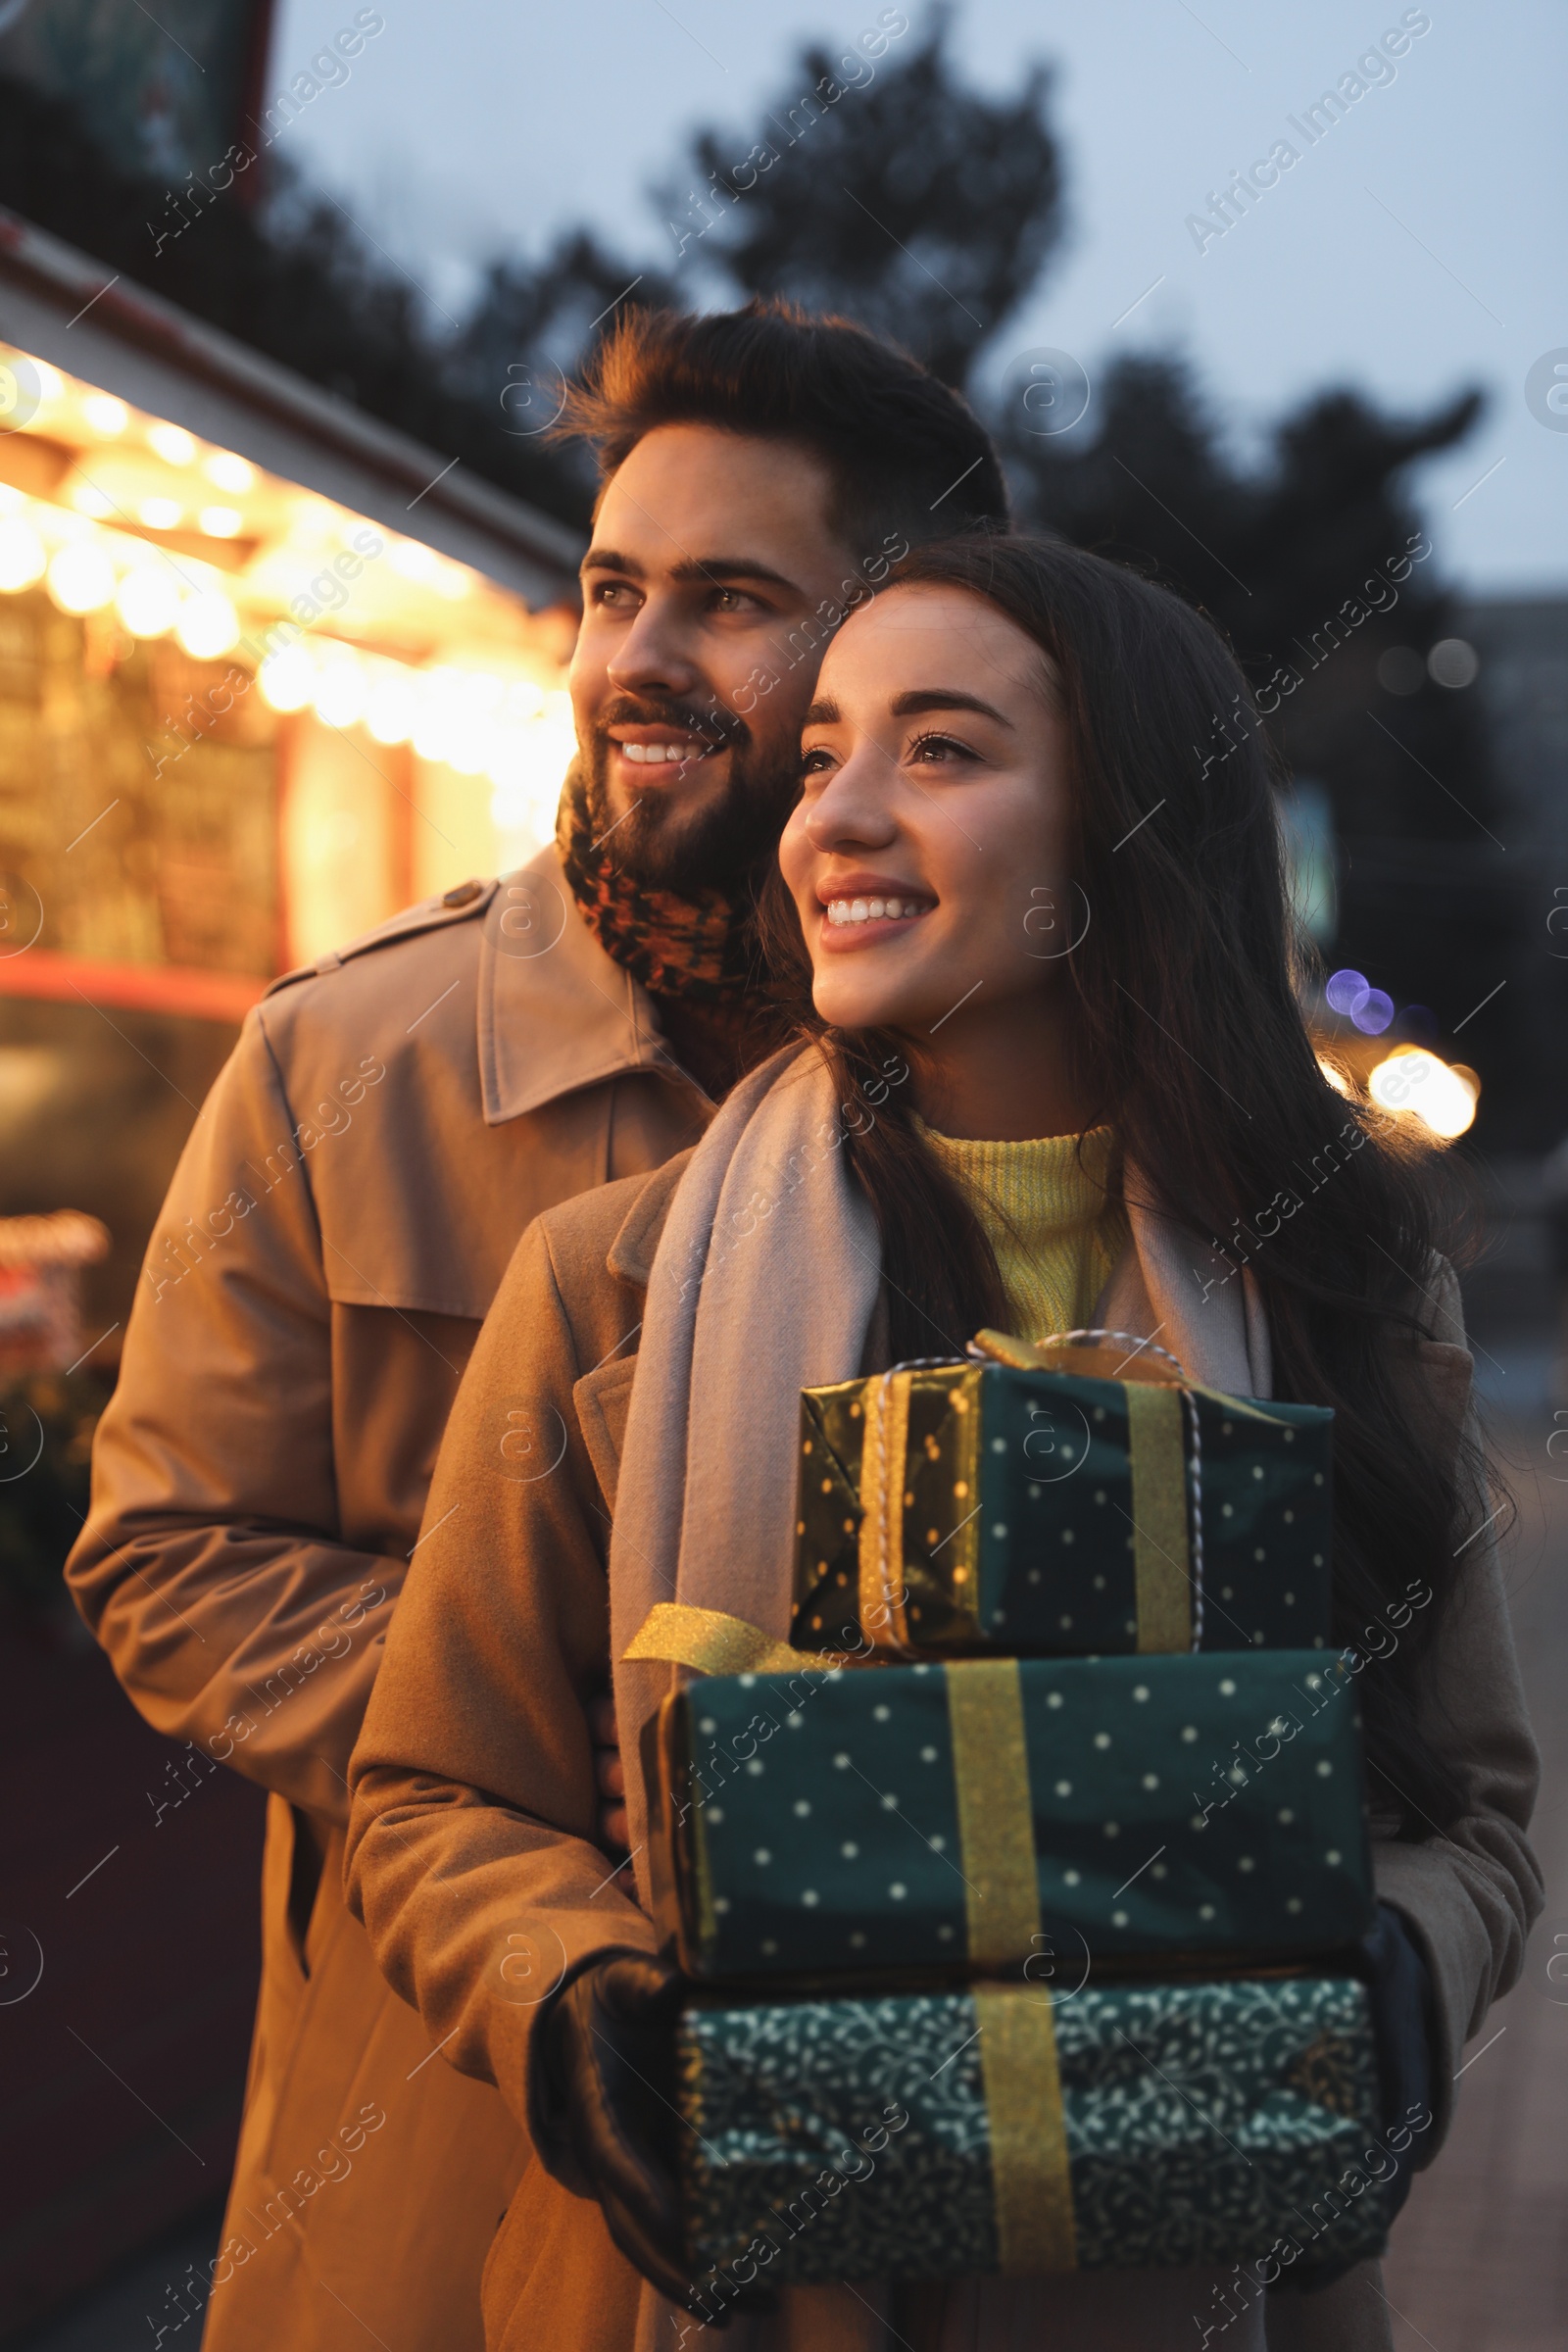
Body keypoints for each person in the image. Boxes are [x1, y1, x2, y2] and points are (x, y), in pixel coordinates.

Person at [345, 532, 1542, 2352]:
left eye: (945, 750)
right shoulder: (616, 1284)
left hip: (1201, 2279)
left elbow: (1477, 1819)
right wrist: (579, 2004)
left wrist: (1394, 1972)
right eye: (821, 755)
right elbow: (434, 1792)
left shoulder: (1347, 1280)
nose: (833, 818)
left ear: (1125, 825)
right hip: (740, 2287)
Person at [64, 304, 1008, 2352]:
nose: (635, 659)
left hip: (907, 2174)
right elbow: (164, 1551)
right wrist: (538, 1752)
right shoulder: (345, 1055)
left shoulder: (1003, 1082)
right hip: (443, 2134)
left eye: (732, 600)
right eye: (608, 591)